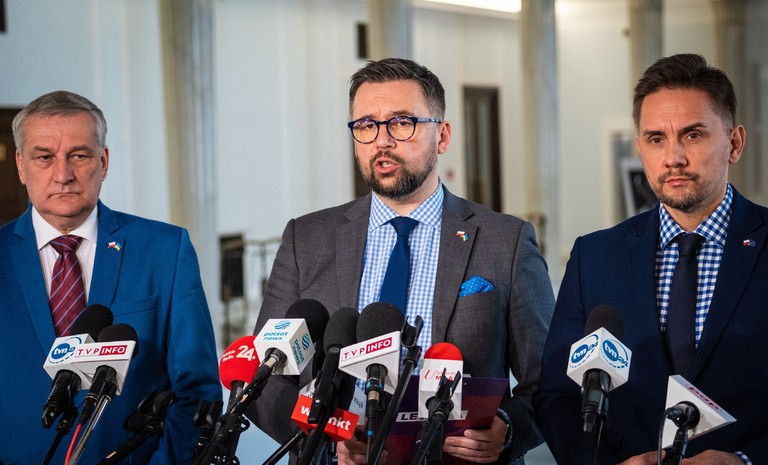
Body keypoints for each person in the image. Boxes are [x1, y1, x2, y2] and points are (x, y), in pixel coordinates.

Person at [249, 58, 554, 465]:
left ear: (442, 136)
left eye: (401, 122)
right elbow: (264, 378)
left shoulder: (507, 241)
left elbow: (548, 381)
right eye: (366, 125)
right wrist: (328, 440)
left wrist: (509, 428)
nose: (382, 141)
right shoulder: (306, 239)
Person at [534, 53, 766, 465]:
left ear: (734, 143)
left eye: (693, 135)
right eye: (656, 139)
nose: (673, 157)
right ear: (640, 147)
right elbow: (557, 395)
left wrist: (747, 461)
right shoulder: (595, 257)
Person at [0, 91, 221, 464]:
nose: (63, 175)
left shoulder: (165, 250)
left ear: (103, 161)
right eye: (44, 157)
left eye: (79, 155)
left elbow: (197, 391)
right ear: (21, 166)